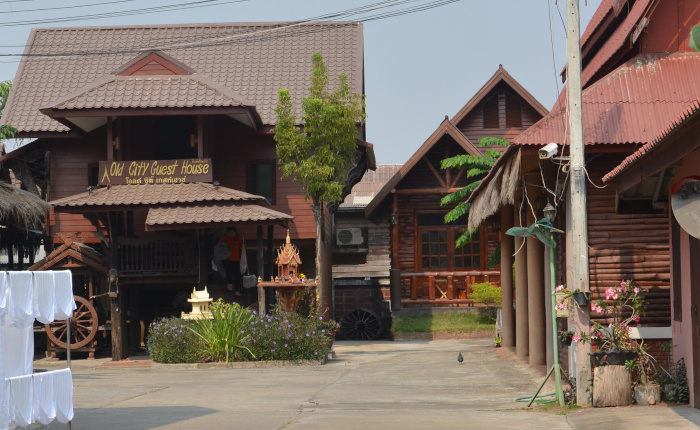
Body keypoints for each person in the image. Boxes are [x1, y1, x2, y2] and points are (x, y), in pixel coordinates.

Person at [219, 227, 243, 295]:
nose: (231, 234)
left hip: (236, 259)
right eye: (230, 232)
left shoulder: (237, 238)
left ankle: (237, 290)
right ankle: (229, 284)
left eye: (233, 232)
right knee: (228, 273)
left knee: (237, 275)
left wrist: (243, 246)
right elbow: (220, 246)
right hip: (226, 258)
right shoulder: (224, 237)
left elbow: (240, 246)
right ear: (227, 233)